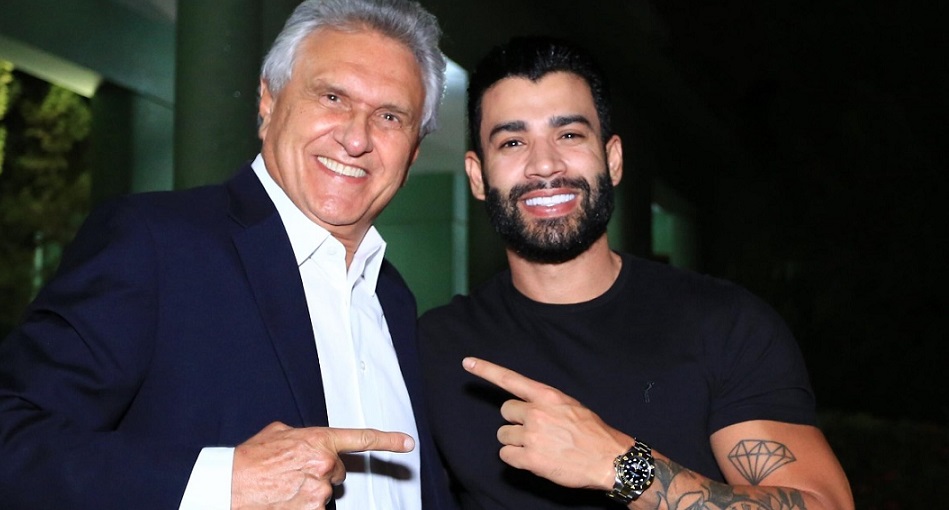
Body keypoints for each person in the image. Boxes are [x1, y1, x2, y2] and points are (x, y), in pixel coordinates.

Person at [0, 1, 456, 509]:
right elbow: (12, 440)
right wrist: (221, 484)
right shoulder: (156, 244)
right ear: (268, 100)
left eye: (390, 116)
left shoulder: (392, 296)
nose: (355, 138)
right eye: (332, 97)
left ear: (413, 151)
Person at [418, 36, 854, 510]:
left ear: (613, 159)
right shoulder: (434, 347)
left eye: (569, 135)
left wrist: (618, 465)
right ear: (478, 176)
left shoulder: (724, 323)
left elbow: (824, 503)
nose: (544, 164)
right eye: (513, 142)